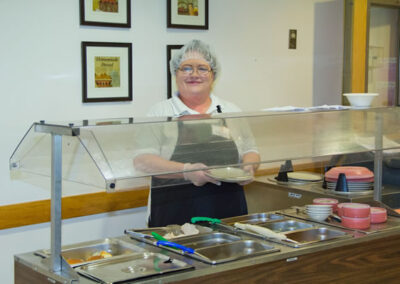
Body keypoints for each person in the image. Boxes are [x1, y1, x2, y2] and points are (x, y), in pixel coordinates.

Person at [134, 39, 260, 227]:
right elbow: (142, 161)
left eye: (202, 68)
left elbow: (251, 149)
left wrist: (249, 167)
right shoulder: (160, 113)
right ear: (175, 74)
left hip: (227, 211)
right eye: (186, 68)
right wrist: (186, 171)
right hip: (174, 213)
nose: (194, 74)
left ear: (213, 75)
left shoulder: (229, 110)